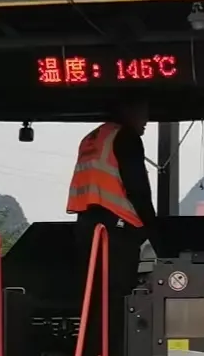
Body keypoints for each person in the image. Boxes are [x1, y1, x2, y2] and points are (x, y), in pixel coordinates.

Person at [67, 98, 160, 257]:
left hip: (85, 226)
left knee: (91, 279)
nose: (146, 119)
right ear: (126, 111)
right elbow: (138, 189)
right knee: (119, 281)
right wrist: (154, 232)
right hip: (117, 228)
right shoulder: (126, 136)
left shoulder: (91, 138)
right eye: (142, 113)